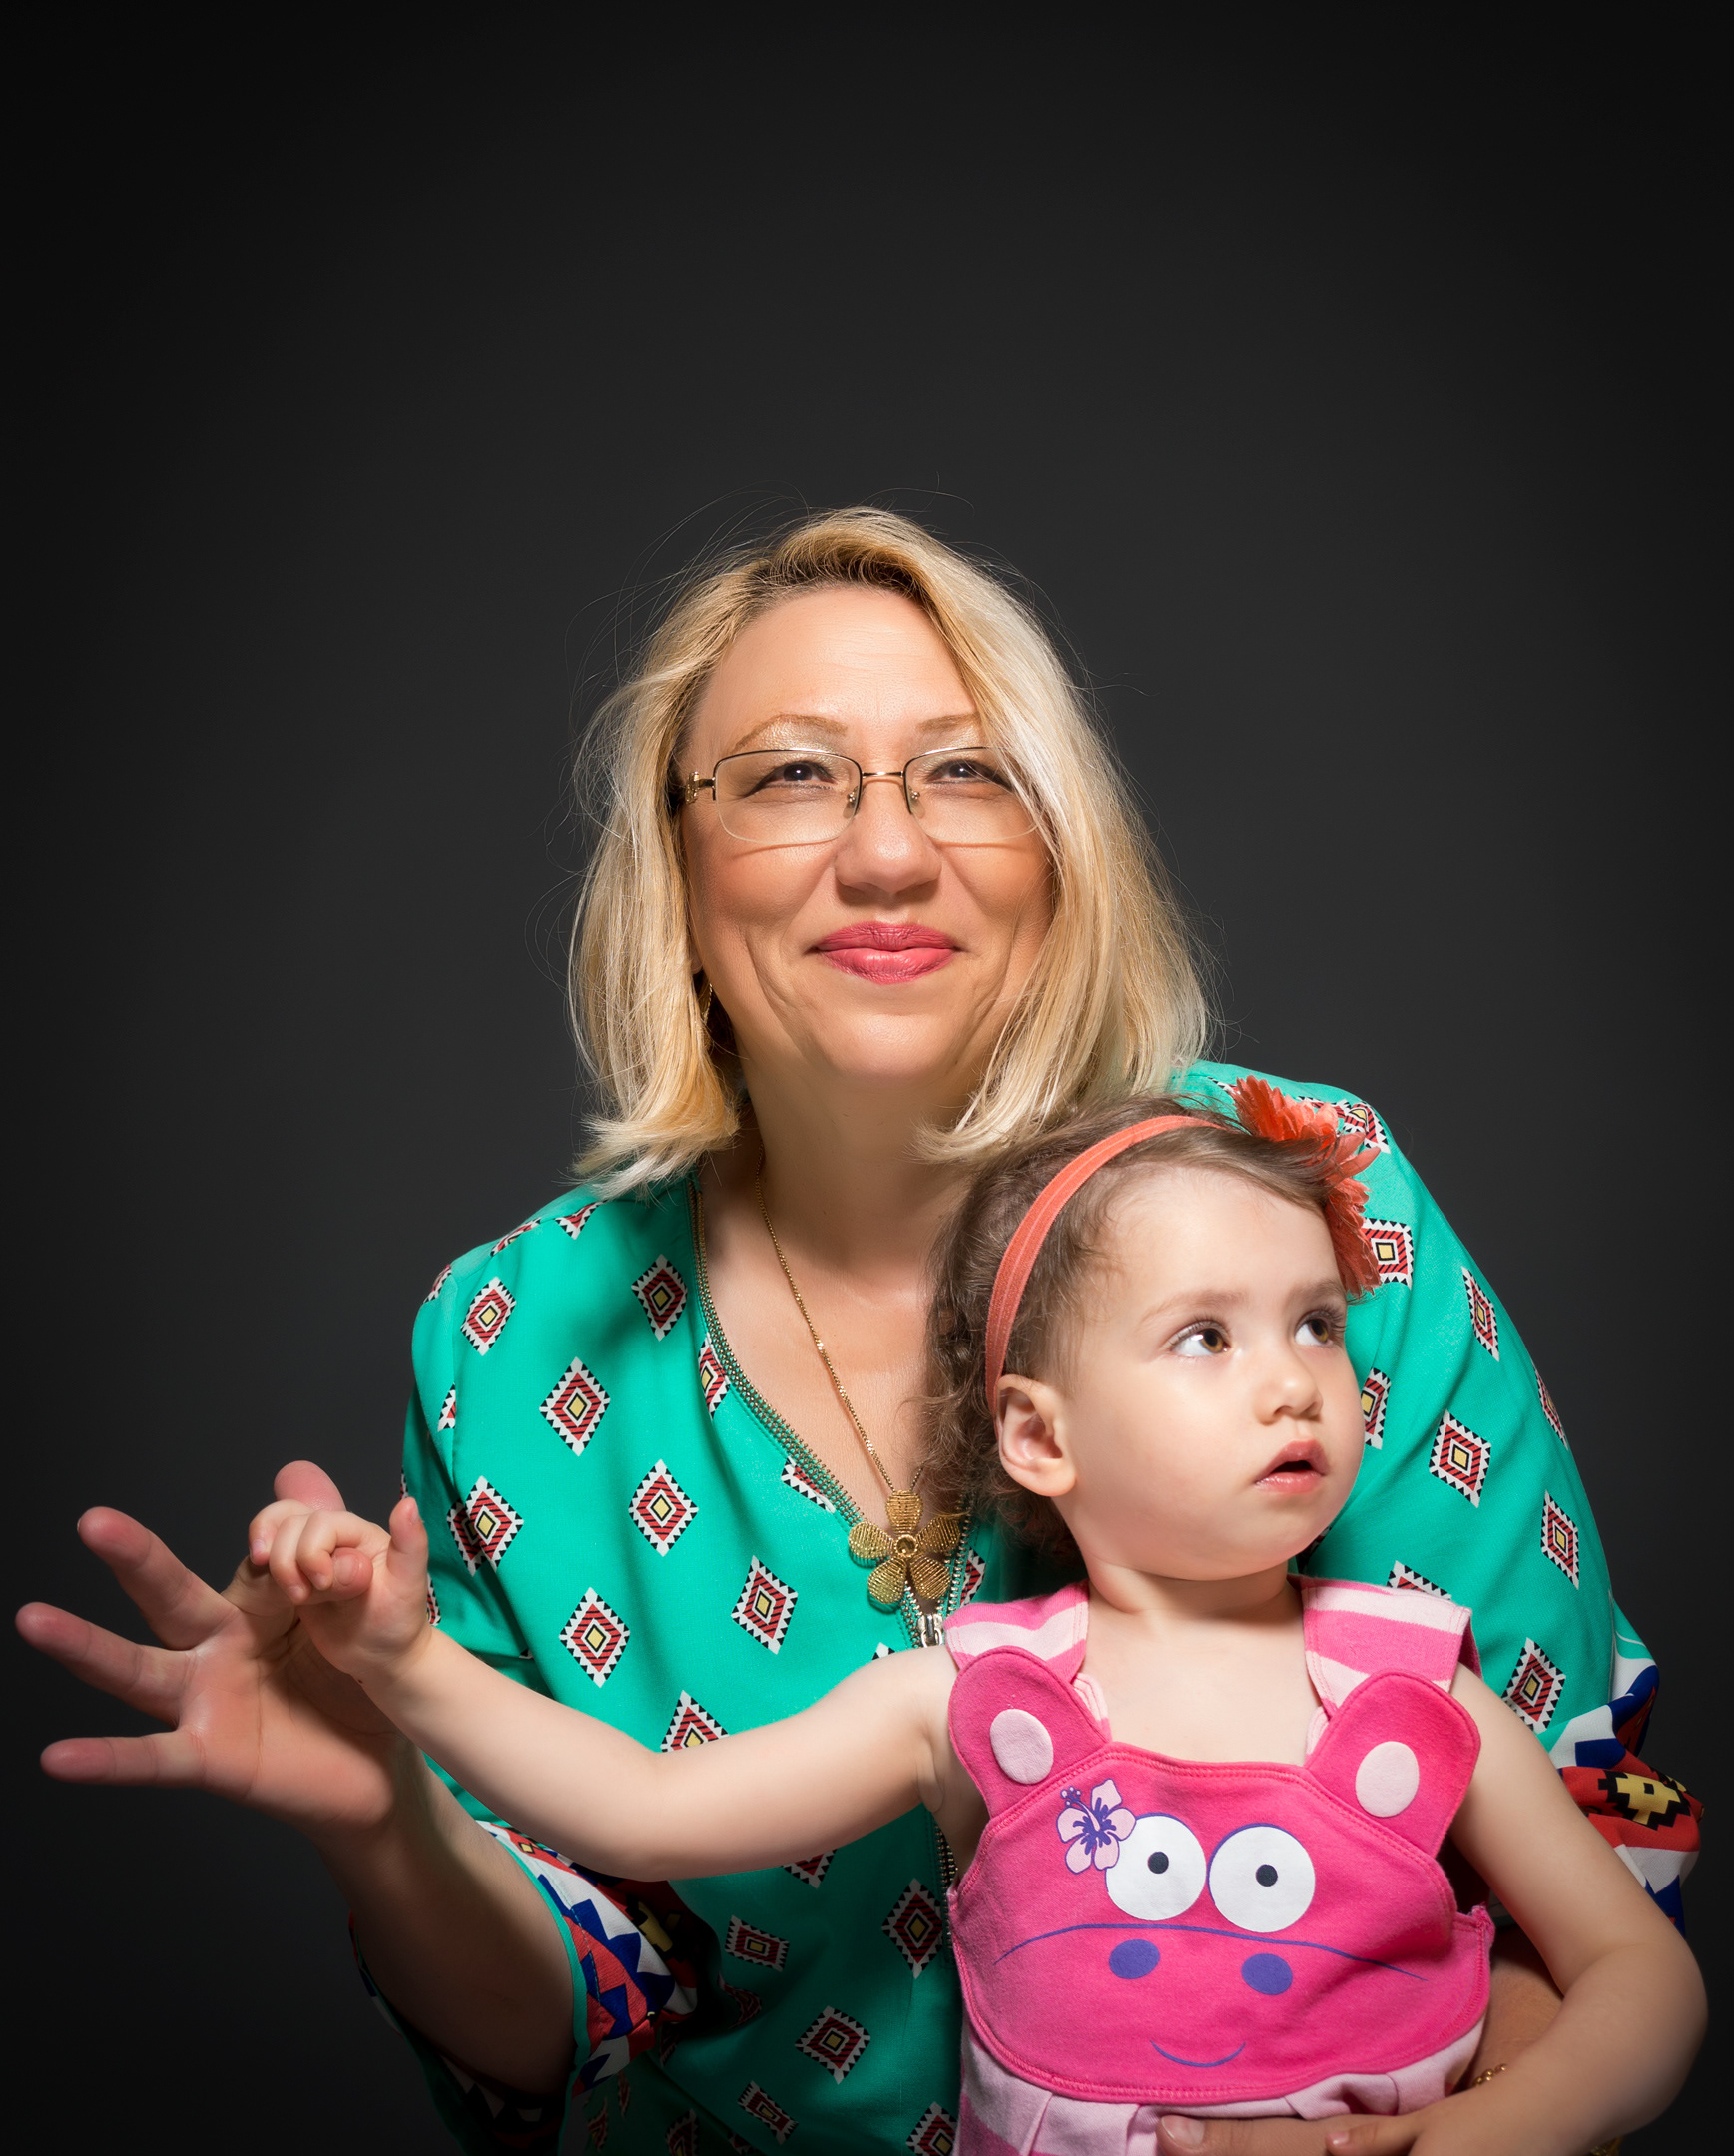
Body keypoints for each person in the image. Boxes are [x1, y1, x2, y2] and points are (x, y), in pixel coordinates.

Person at [17, 511, 1696, 2156]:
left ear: (1060, 848)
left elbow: (1574, 1870)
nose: (886, 855)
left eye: (967, 771)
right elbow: (569, 2003)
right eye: (789, 775)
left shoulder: (1304, 1198)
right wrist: (383, 1817)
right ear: (675, 867)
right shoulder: (510, 1344)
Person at [247, 1085, 1705, 2152]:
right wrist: (402, 1663)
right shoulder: (981, 1700)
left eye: (1314, 1323)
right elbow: (640, 1810)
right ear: (1038, 1437)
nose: (1291, 1382)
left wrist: (1496, 2135)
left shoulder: (1416, 1690)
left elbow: (1638, 1976)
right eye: (1205, 1336)